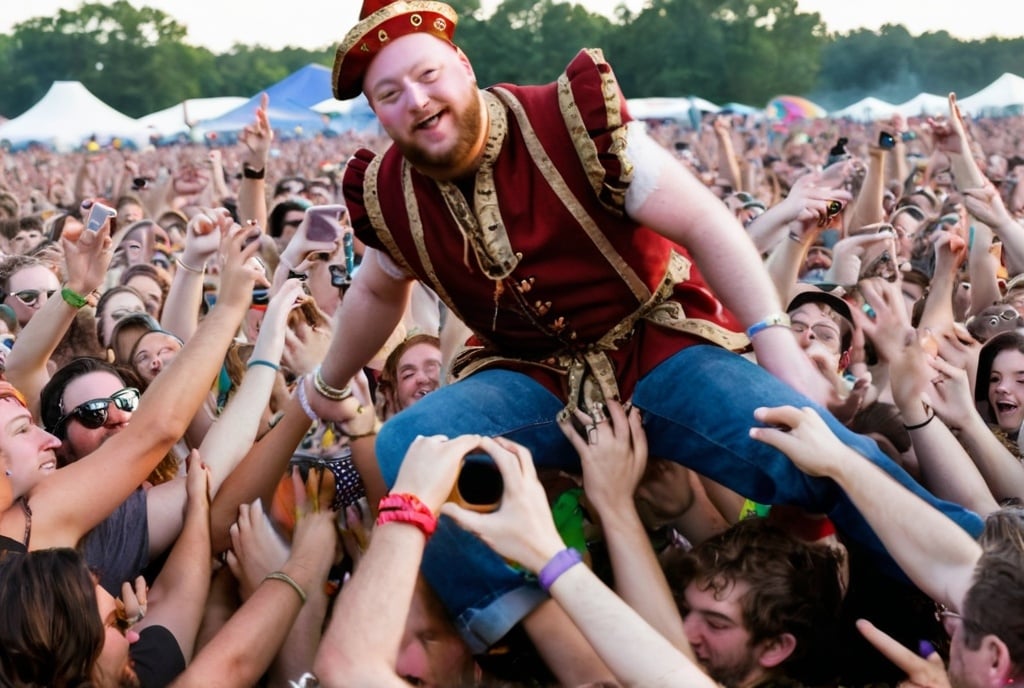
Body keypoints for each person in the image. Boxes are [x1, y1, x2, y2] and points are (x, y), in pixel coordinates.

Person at [306, 0, 983, 655]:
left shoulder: (566, 119)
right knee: (406, 448)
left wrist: (779, 348)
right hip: (533, 376)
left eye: (428, 75)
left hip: (655, 345)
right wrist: (326, 382)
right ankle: (539, 642)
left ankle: (984, 586)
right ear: (376, 111)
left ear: (461, 63)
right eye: (390, 93)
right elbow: (373, 290)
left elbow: (704, 221)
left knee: (813, 446)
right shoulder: (387, 190)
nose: (417, 102)